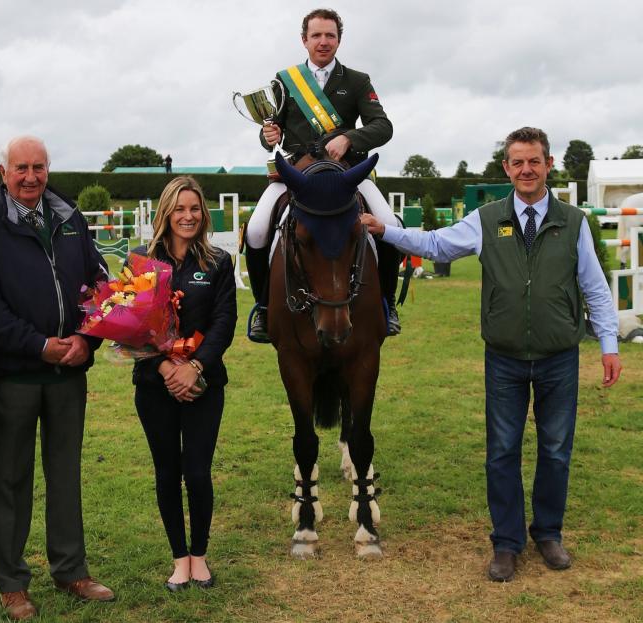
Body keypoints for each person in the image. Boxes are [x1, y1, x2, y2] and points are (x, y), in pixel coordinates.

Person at [363, 127, 623, 582]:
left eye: (534, 161)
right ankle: (506, 543)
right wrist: (385, 231)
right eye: (517, 162)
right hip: (503, 357)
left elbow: (595, 288)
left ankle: (548, 534)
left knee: (556, 451)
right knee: (501, 451)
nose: (526, 169)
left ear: (548, 165)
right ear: (506, 168)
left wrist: (608, 344)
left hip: (558, 356)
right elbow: (437, 245)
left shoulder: (574, 222)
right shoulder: (486, 219)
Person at [0, 136, 113, 620]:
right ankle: (11, 583)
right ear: (3, 172)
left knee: (66, 474)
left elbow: (99, 284)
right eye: (21, 168)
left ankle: (71, 569)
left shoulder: (69, 216)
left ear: (49, 169)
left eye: (39, 167)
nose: (31, 177)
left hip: (69, 372)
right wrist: (38, 344)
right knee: (9, 479)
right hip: (15, 375)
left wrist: (87, 340)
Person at [245, 7, 404, 341]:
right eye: (316, 35)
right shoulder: (284, 80)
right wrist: (268, 136)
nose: (323, 41)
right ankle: (263, 309)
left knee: (390, 225)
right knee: (257, 231)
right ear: (304, 40)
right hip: (298, 174)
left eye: (330, 35)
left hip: (345, 175)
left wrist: (349, 138)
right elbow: (270, 130)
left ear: (339, 40)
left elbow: (383, 126)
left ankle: (387, 306)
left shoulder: (358, 81)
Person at [131, 177, 236, 591]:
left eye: (194, 208)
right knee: (167, 471)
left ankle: (200, 556)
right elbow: (132, 323)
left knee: (197, 472)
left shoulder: (218, 262)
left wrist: (195, 368)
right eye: (179, 208)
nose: (187, 216)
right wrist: (164, 368)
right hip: (154, 385)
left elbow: (223, 322)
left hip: (203, 385)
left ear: (203, 213)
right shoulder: (141, 260)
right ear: (166, 213)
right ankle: (179, 558)